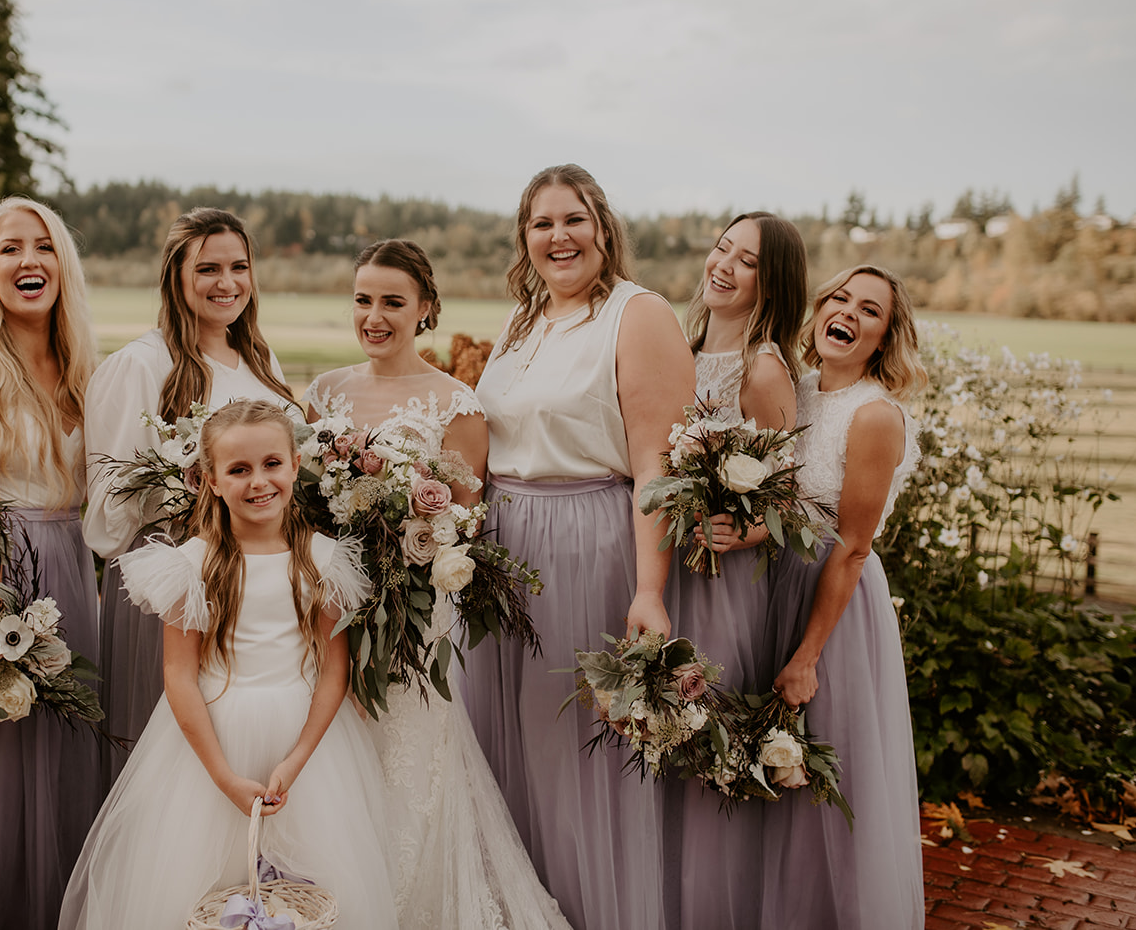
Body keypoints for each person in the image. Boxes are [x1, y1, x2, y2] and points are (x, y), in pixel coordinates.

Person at [304, 239, 571, 929]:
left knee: (407, 756)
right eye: (364, 299)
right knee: (335, 756)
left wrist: (401, 553)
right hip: (331, 608)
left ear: (425, 309)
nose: (375, 315)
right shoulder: (324, 392)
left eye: (393, 301)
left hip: (413, 613)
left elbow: (463, 524)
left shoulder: (456, 404)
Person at [58, 401, 396, 930]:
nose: (258, 481)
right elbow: (179, 675)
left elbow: (334, 672)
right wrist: (223, 776)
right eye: (238, 470)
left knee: (313, 888)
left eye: (271, 464)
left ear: (295, 463)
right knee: (202, 887)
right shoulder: (189, 567)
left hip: (306, 746)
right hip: (210, 745)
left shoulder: (326, 561)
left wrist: (299, 757)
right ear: (211, 480)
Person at [462, 164, 694, 930]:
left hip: (584, 543)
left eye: (573, 219)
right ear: (524, 238)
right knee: (503, 744)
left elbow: (658, 465)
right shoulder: (523, 319)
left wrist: (650, 591)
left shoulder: (639, 314)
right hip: (501, 549)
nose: (558, 237)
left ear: (603, 227)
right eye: (541, 223)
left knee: (570, 753)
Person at [0, 196, 105, 930]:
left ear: (63, 263)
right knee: (12, 771)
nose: (28, 261)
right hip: (13, 578)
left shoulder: (82, 364)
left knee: (69, 760)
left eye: (43, 246)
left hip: (74, 570)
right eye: (10, 248)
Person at [84, 208, 296, 778]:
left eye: (239, 267)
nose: (226, 283)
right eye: (208, 269)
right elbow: (108, 509)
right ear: (175, 277)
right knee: (166, 773)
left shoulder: (261, 362)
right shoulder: (140, 365)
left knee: (247, 749)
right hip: (174, 591)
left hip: (257, 590)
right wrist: (186, 489)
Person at [761, 264, 927, 929]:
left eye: (869, 310)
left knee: (824, 770)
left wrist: (807, 655)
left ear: (885, 338)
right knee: (766, 766)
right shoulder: (792, 391)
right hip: (768, 587)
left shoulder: (876, 415)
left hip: (831, 605)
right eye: (838, 299)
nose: (848, 314)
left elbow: (853, 546)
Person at [660, 212, 806, 927]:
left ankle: (715, 910)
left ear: (769, 281)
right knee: (662, 730)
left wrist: (740, 532)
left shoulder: (763, 367)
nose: (724, 265)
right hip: (669, 572)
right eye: (722, 249)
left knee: (706, 737)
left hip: (722, 588)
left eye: (745, 260)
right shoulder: (680, 348)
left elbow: (797, 500)